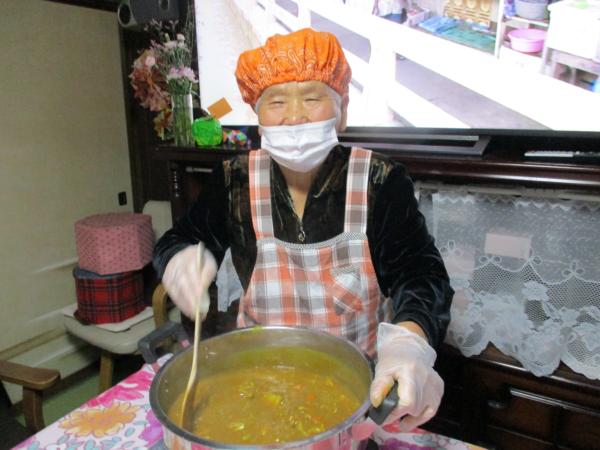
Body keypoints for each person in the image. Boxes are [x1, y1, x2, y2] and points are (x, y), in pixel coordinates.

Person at [154, 28, 453, 435]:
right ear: (258, 115)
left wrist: (408, 344)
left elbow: (420, 275)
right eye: (276, 102)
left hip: (357, 391)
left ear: (341, 111)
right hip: (257, 380)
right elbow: (179, 240)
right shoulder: (233, 181)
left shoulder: (379, 181)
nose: (294, 116)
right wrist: (178, 261)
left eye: (312, 99)